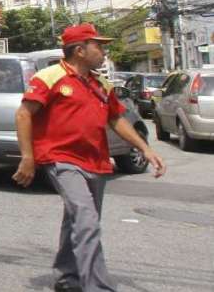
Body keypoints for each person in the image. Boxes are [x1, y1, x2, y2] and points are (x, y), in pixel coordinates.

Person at [13, 23, 165, 292]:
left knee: (77, 219)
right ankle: (98, 286)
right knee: (86, 218)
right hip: (60, 159)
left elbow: (116, 119)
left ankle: (69, 277)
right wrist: (28, 157)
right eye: (99, 46)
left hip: (95, 162)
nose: (104, 51)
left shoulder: (100, 83)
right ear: (80, 50)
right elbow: (24, 114)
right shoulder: (50, 77)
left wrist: (145, 148)